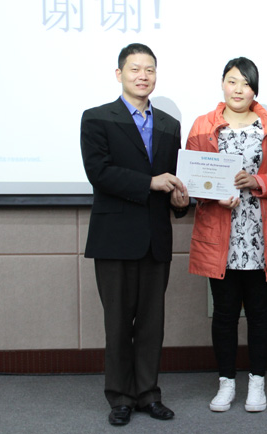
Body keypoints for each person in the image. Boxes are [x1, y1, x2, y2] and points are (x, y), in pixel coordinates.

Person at [80, 43, 189, 426]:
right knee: (117, 323)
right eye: (135, 69)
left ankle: (148, 393)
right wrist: (149, 182)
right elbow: (99, 172)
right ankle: (120, 397)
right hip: (114, 238)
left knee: (151, 324)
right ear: (119, 74)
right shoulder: (97, 118)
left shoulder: (169, 125)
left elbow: (174, 180)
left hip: (156, 238)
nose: (143, 76)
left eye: (150, 69)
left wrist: (180, 200)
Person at [186, 57, 267, 413]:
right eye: (232, 81)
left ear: (254, 89)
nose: (238, 89)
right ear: (222, 83)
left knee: (260, 311)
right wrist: (214, 194)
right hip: (220, 235)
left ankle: (257, 382)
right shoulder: (202, 125)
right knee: (225, 313)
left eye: (246, 83)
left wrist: (256, 181)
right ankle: (226, 382)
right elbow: (192, 178)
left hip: (260, 234)